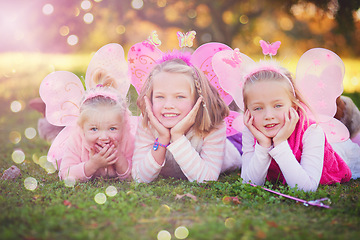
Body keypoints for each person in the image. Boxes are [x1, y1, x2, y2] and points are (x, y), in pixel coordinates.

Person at [240, 61, 360, 191]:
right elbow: (248, 183)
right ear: (247, 112)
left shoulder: (312, 131)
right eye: (258, 108)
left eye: (278, 106)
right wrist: (263, 145)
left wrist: (280, 143)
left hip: (341, 156)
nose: (268, 115)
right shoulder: (251, 130)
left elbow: (305, 189)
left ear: (294, 106)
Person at [131, 51, 242, 183]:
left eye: (180, 97)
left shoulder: (213, 126)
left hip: (234, 148)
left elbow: (206, 179)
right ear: (150, 99)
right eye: (160, 97)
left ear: (197, 100)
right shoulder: (148, 124)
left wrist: (177, 136)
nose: (168, 105)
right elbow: (139, 177)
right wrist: (162, 138)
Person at [57, 69, 134, 182]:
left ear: (123, 127)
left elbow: (136, 176)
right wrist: (92, 164)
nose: (104, 137)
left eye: (112, 128)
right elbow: (65, 175)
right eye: (94, 129)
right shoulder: (76, 142)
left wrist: (119, 158)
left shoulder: (128, 140)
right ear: (82, 129)